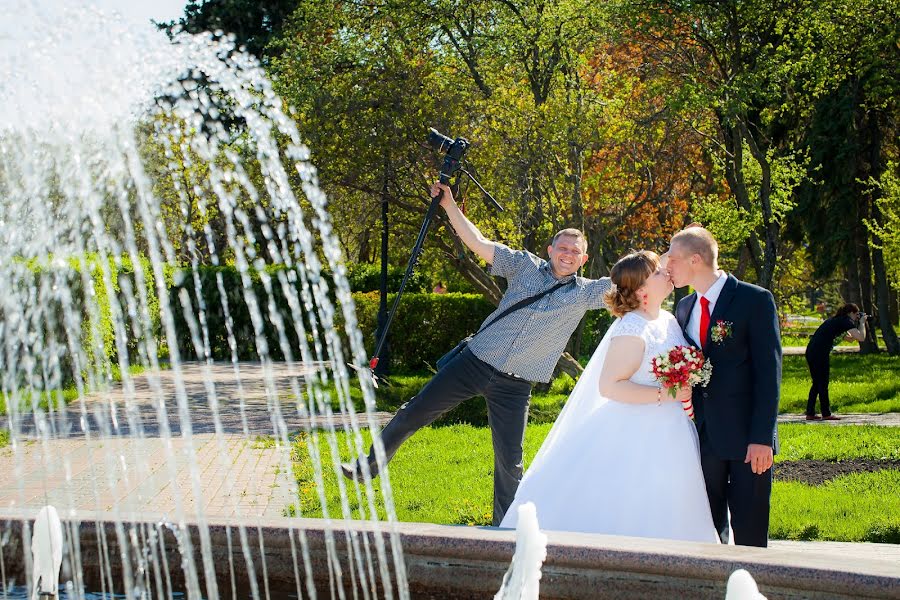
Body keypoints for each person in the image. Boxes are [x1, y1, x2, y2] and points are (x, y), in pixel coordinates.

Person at [342, 182, 612, 525]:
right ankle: (368, 466)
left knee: (509, 462)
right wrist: (449, 205)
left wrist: (671, 260)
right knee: (413, 413)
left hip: (515, 386)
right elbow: (478, 243)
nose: (568, 254)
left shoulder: (587, 294)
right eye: (563, 247)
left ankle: (505, 527)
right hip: (474, 362)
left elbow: (635, 282)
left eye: (575, 251)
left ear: (584, 259)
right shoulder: (524, 266)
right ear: (550, 249)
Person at [500, 251, 718, 543]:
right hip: (636, 431)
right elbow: (611, 386)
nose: (665, 273)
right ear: (642, 291)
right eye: (657, 272)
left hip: (673, 428)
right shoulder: (631, 328)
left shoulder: (667, 319)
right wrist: (666, 393)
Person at [666, 226, 781, 547]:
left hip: (748, 440)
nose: (667, 266)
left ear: (696, 259)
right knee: (708, 530)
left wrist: (762, 438)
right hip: (702, 437)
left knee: (750, 529)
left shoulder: (754, 299)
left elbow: (768, 374)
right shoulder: (685, 306)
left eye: (673, 259)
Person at [804, 303, 867, 421]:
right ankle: (826, 414)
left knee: (817, 383)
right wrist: (862, 323)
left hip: (813, 351)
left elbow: (850, 339)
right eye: (856, 314)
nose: (857, 317)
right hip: (819, 353)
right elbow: (861, 338)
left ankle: (810, 413)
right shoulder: (845, 321)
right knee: (822, 383)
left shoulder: (837, 321)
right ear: (851, 313)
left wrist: (858, 323)